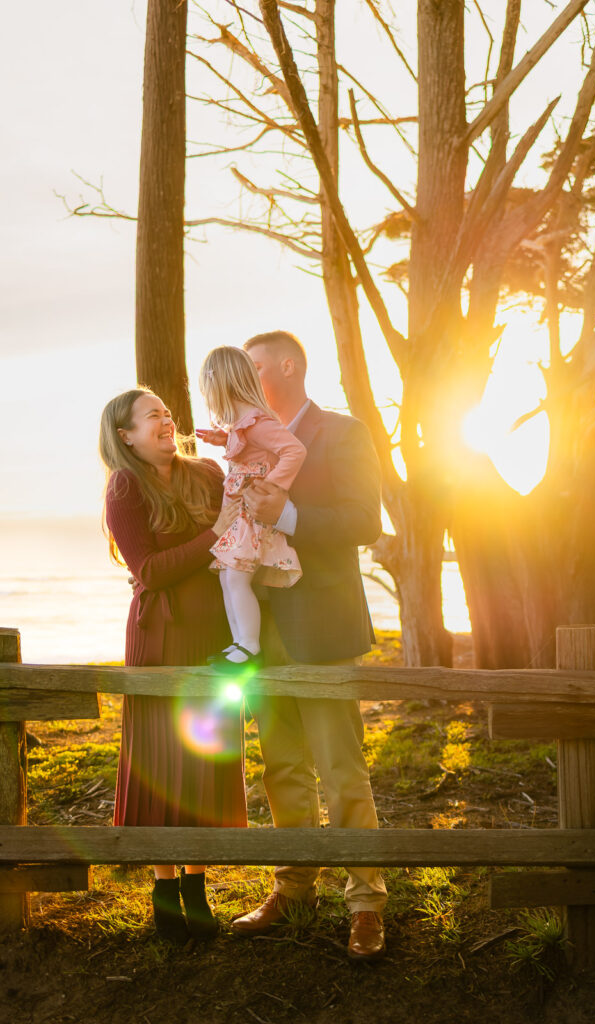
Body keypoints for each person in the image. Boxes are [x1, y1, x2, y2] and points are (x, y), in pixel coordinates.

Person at [220, 330, 387, 959]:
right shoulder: (240, 440)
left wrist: (285, 515)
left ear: (288, 366)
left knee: (341, 766)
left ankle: (366, 900)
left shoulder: (343, 433)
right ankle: (293, 888)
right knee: (281, 764)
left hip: (321, 624)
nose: (244, 379)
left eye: (254, 367)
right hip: (259, 630)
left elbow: (365, 521)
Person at [99, 388, 248, 944]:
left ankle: (196, 883)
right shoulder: (125, 486)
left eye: (165, 412)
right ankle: (164, 885)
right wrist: (214, 537)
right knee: (163, 760)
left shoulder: (206, 472)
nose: (164, 420)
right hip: (160, 639)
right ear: (126, 436)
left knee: (205, 757)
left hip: (214, 638)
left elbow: (246, 521)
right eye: (150, 416)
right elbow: (151, 570)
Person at [196, 346, 307, 667]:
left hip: (253, 514)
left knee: (235, 577)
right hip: (242, 514)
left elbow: (293, 451)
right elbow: (250, 446)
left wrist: (273, 486)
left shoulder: (258, 423)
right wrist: (223, 439)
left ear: (221, 386)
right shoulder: (246, 425)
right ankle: (239, 643)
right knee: (228, 577)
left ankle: (248, 646)